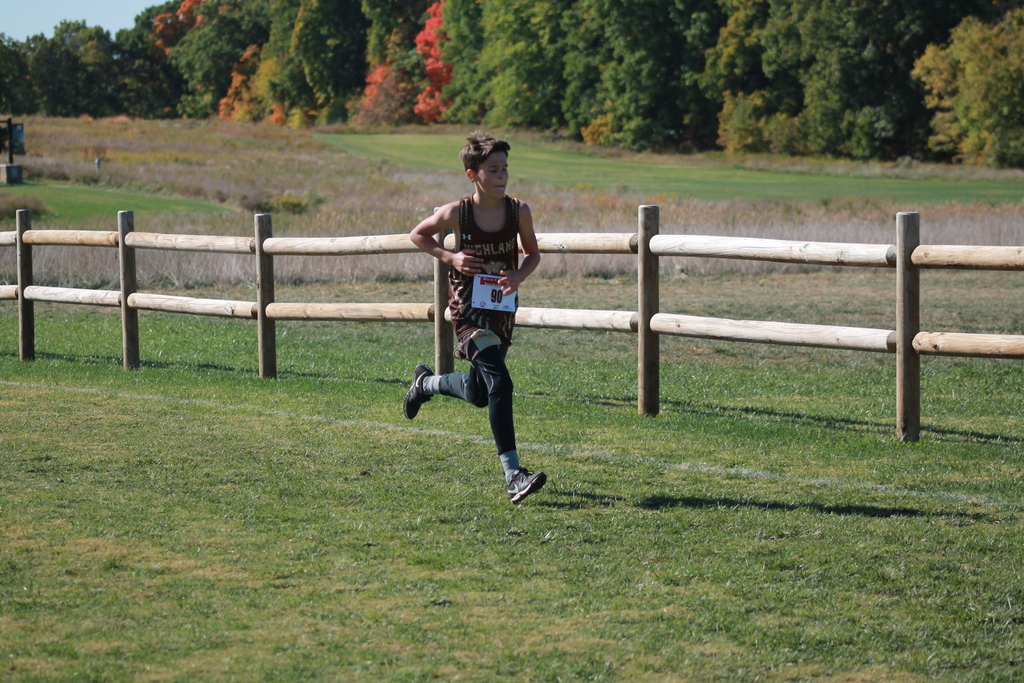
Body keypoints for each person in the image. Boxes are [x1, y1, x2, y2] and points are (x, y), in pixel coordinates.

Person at [403, 132, 547, 504]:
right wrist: (451, 258)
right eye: (493, 170)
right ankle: (514, 474)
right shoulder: (457, 213)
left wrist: (518, 275)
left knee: (480, 393)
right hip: (467, 311)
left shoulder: (519, 211)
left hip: (501, 312)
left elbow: (532, 254)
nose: (502, 176)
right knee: (501, 383)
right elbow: (418, 235)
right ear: (473, 174)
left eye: (505, 169)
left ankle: (425, 384)